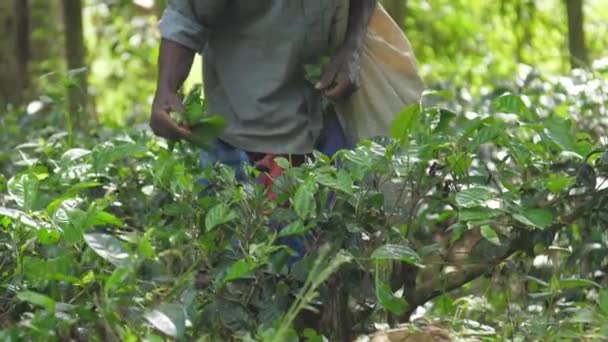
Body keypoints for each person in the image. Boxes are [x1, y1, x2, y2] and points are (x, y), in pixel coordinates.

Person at [149, 0, 378, 173]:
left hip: (333, 117)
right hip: (250, 135)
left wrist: (352, 49)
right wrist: (167, 90)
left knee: (338, 229)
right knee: (252, 231)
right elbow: (187, 17)